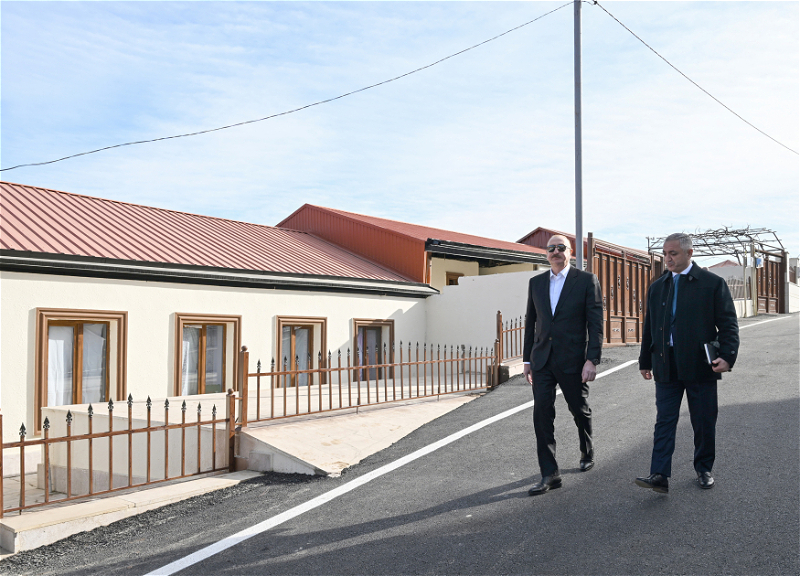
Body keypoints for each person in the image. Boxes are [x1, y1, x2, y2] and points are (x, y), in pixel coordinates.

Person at [636, 233, 739, 494]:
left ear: (689, 253)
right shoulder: (658, 286)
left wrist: (727, 356)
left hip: (700, 364)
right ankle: (659, 474)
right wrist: (645, 360)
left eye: (673, 253)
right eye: (665, 254)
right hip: (665, 363)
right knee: (664, 420)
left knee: (703, 420)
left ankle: (704, 468)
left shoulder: (711, 283)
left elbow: (728, 323)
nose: (668, 259)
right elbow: (650, 327)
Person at [523, 234, 603, 496]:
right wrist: (527, 360)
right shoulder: (536, 283)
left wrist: (591, 359)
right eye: (551, 248)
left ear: (570, 252)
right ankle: (550, 473)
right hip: (542, 360)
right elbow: (531, 323)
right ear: (546, 254)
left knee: (579, 409)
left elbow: (595, 323)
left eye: (560, 248)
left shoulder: (586, 281)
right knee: (542, 414)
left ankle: (587, 450)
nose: (555, 252)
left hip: (573, 360)